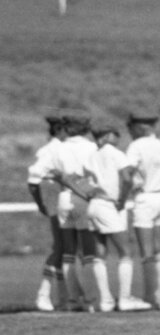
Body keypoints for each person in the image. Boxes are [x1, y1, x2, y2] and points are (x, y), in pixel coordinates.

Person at [74, 120, 151, 312]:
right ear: (108, 135)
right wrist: (122, 199)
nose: (118, 138)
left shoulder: (92, 156)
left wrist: (92, 192)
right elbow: (126, 178)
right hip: (109, 205)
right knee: (125, 252)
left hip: (94, 206)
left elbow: (82, 180)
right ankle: (125, 299)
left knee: (100, 252)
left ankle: (105, 300)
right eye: (116, 135)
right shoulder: (116, 154)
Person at [37, 114, 99, 311]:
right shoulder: (91, 147)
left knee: (68, 252)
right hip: (83, 196)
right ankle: (91, 300)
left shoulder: (58, 148)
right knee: (89, 252)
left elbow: (49, 174)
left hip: (63, 198)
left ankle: (73, 300)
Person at [123, 112, 160, 309]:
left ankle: (150, 295)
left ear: (137, 127)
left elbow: (127, 172)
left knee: (146, 251)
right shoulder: (159, 143)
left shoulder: (136, 146)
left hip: (144, 198)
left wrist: (124, 192)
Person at [26, 114, 69, 311]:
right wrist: (42, 204)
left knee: (65, 249)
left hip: (63, 199)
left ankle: (63, 296)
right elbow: (34, 179)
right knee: (60, 248)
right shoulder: (53, 150)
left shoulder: (55, 148)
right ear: (60, 130)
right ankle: (44, 294)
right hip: (59, 199)